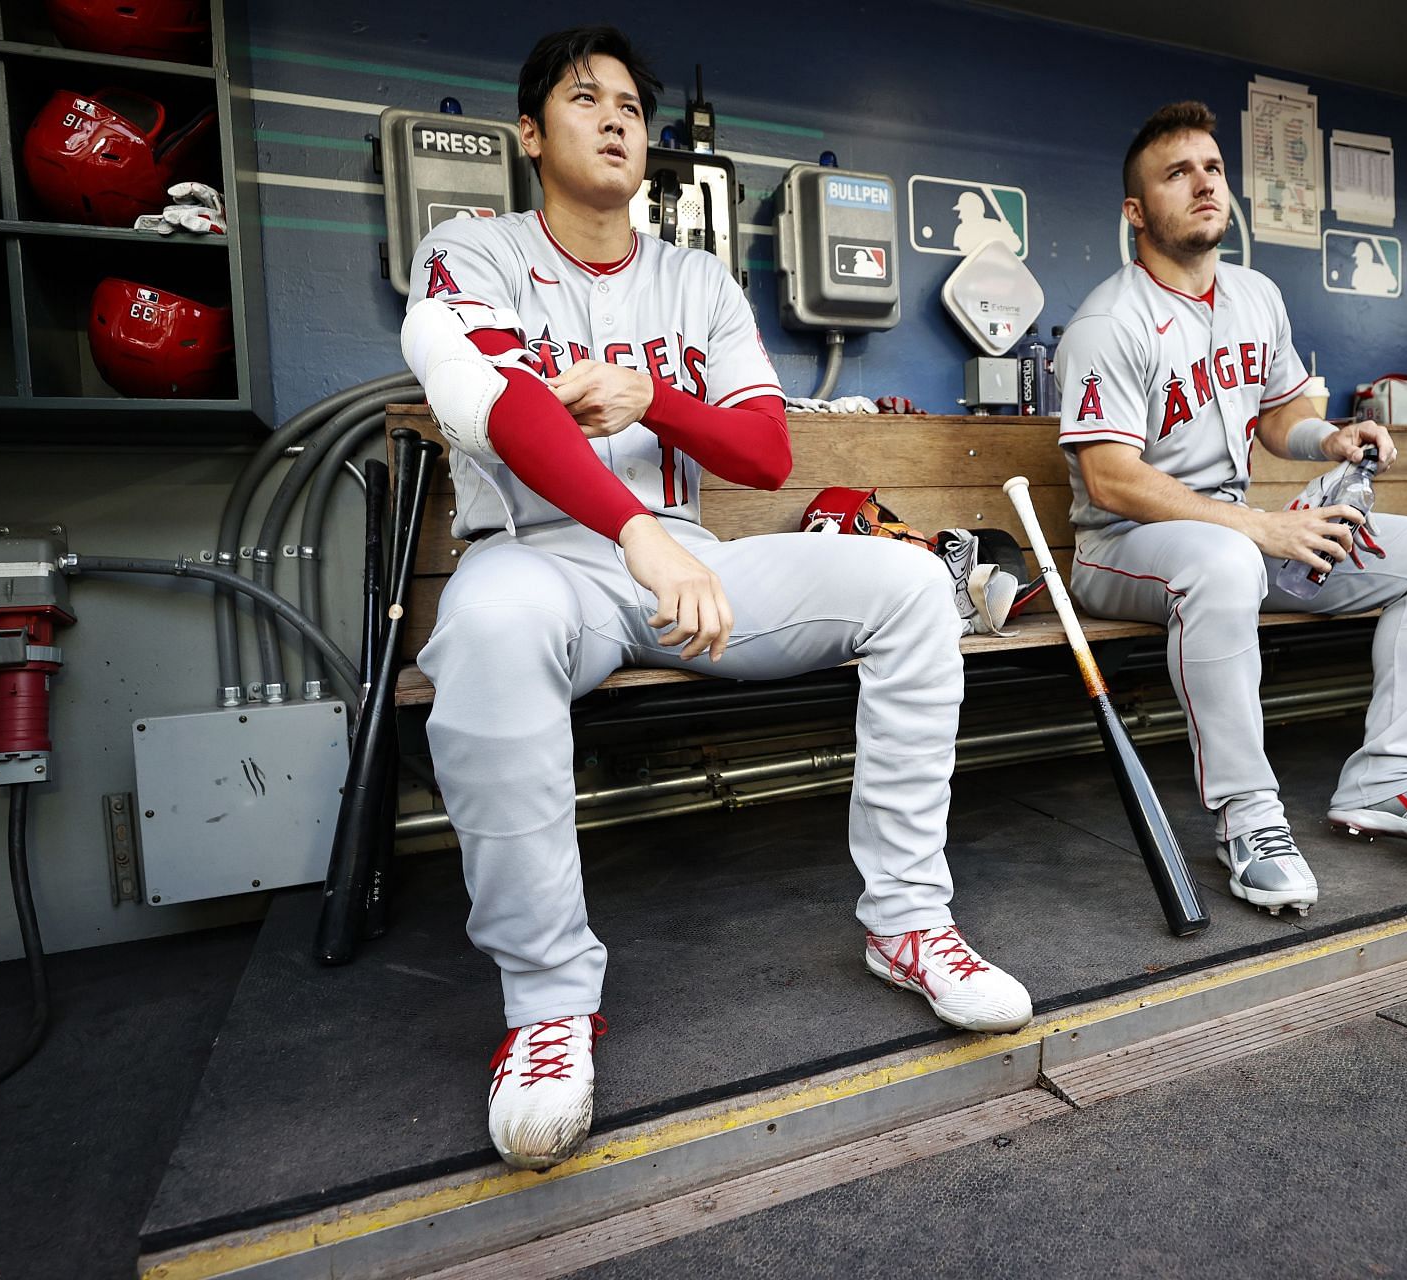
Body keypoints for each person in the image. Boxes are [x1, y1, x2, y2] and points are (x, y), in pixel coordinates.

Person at [399, 25, 1032, 1173]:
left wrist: (650, 397)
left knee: (906, 582)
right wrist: (635, 530)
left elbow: (762, 451)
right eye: (584, 100)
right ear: (531, 133)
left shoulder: (694, 280)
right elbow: (497, 404)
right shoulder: (473, 250)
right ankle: (548, 1008)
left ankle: (906, 922)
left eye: (632, 105)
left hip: (692, 566)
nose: (616, 118)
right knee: (487, 628)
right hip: (544, 562)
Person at [1053, 100, 1407, 918]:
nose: (1203, 184)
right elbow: (1113, 480)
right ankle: (1247, 819)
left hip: (1230, 537)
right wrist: (1262, 527)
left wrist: (1331, 439)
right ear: (1135, 211)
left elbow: (1278, 418)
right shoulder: (1108, 322)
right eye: (1176, 173)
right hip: (1123, 549)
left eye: (1213, 169)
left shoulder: (1256, 296)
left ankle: (1391, 782)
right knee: (1226, 561)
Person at [952, 190, 1020, 255]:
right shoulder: (961, 230)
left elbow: (1016, 246)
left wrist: (1008, 232)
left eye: (964, 211)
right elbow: (960, 255)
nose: (960, 216)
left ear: (973, 211)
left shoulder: (995, 226)